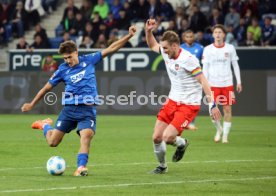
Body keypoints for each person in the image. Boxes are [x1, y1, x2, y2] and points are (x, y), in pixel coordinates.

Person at [21, 25, 137, 176]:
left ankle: (81, 167)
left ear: (76, 52)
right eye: (65, 58)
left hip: (87, 110)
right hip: (69, 110)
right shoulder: (62, 70)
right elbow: (46, 88)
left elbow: (111, 49)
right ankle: (45, 126)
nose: (68, 60)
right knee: (53, 142)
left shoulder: (89, 60)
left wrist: (128, 36)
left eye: (70, 57)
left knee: (86, 135)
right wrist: (32, 104)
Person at [145, 19, 221, 174]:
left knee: (167, 137)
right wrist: (148, 31)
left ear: (175, 46)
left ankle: (181, 143)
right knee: (156, 137)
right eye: (163, 48)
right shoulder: (167, 53)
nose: (163, 51)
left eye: (166, 48)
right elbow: (153, 45)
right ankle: (162, 166)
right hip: (172, 101)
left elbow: (203, 81)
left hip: (188, 105)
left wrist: (212, 104)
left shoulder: (188, 59)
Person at [202, 24, 242, 144]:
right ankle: (219, 129)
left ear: (224, 34)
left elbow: (235, 65)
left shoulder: (230, 48)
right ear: (213, 35)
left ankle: (225, 136)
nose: (218, 34)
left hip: (227, 84)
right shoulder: (208, 49)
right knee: (212, 111)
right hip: (212, 84)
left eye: (220, 32)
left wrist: (239, 82)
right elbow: (205, 68)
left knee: (227, 109)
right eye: (216, 32)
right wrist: (204, 84)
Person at [180, 29, 204, 131]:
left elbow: (203, 63)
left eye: (191, 36)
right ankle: (182, 121)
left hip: (195, 78)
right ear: (184, 38)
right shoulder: (180, 48)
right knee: (181, 101)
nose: (189, 38)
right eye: (187, 36)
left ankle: (191, 123)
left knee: (194, 101)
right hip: (183, 78)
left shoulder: (200, 48)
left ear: (194, 37)